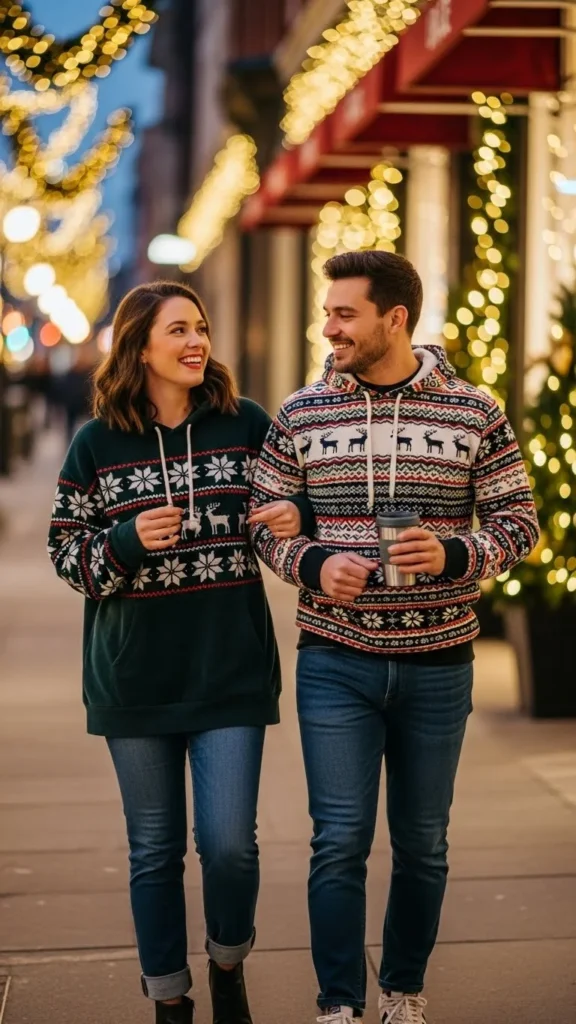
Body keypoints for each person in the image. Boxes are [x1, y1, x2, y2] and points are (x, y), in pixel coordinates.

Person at [249, 250, 539, 1024]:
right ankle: (338, 1004)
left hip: (440, 663)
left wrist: (456, 553)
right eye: (328, 312)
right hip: (334, 662)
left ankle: (402, 991)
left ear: (395, 318)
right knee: (337, 842)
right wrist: (311, 561)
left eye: (344, 313)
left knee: (423, 844)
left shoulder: (474, 412)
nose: (329, 326)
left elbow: (519, 521)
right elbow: (265, 521)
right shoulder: (303, 413)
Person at [48, 281, 311, 1024]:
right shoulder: (96, 442)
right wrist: (125, 542)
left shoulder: (244, 424)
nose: (197, 341)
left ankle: (228, 960)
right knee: (155, 850)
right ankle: (169, 997)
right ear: (139, 347)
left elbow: (296, 505)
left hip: (229, 666)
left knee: (229, 846)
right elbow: (68, 556)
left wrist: (302, 512)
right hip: (134, 678)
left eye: (200, 327)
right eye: (178, 331)